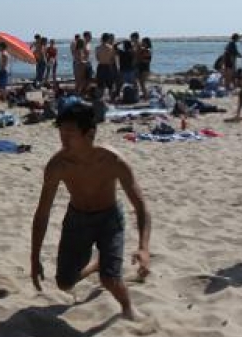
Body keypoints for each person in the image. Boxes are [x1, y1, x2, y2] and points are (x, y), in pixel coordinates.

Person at [30, 101, 151, 320]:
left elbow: (140, 206)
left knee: (110, 279)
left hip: (109, 220)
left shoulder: (112, 161)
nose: (63, 139)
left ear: (89, 133)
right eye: (61, 132)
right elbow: (42, 213)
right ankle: (96, 266)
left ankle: (127, 307)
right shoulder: (57, 165)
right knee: (64, 282)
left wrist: (143, 247)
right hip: (77, 220)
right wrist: (34, 257)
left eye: (70, 133)